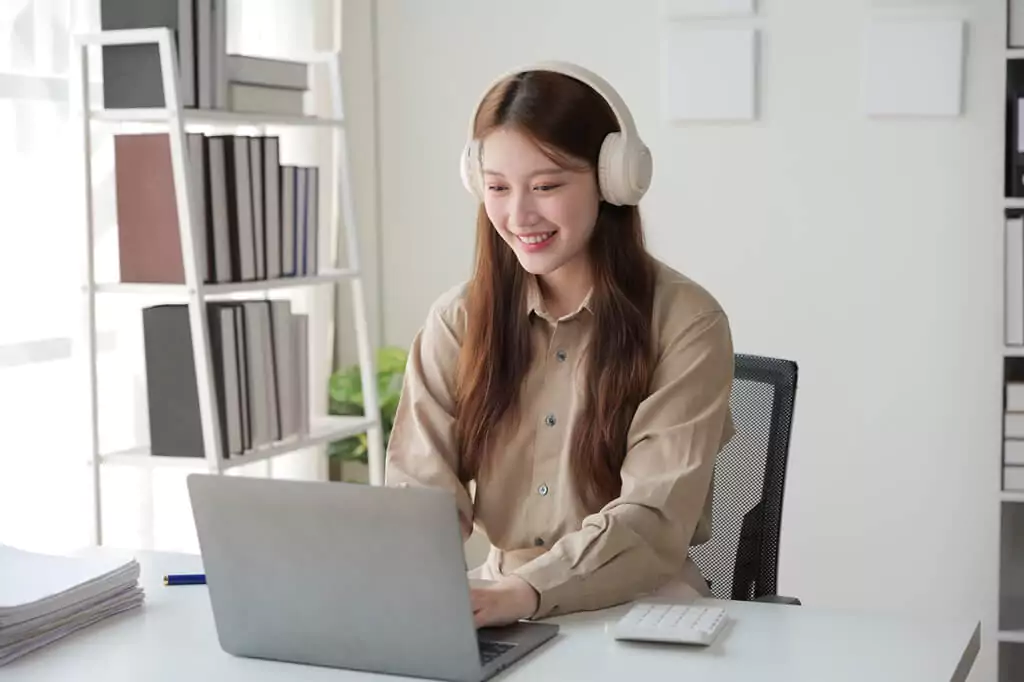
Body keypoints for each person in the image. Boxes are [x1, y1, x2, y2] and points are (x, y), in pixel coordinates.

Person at [384, 61, 735, 629]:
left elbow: (653, 519)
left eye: (546, 186)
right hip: (498, 598)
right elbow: (418, 492)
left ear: (613, 179)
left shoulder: (687, 322)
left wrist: (528, 591)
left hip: (643, 602)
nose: (519, 215)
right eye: (497, 188)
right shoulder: (458, 319)